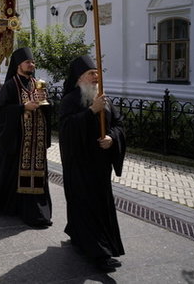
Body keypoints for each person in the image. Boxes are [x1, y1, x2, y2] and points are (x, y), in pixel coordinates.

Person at [59, 55, 126, 272]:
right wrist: (90, 112)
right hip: (79, 164)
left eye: (97, 73)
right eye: (91, 73)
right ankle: (99, 254)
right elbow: (67, 130)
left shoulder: (103, 98)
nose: (97, 77)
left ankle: (86, 239)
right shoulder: (70, 100)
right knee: (85, 206)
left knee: (100, 206)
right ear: (79, 78)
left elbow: (118, 124)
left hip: (100, 165)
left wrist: (112, 139)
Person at [0, 47, 53, 228]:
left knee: (38, 174)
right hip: (18, 142)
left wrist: (45, 102)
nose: (31, 65)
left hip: (35, 143)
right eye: (27, 62)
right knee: (15, 175)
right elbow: (1, 111)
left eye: (32, 62)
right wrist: (23, 107)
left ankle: (38, 210)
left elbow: (47, 109)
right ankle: (17, 208)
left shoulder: (36, 83)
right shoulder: (10, 85)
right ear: (18, 65)